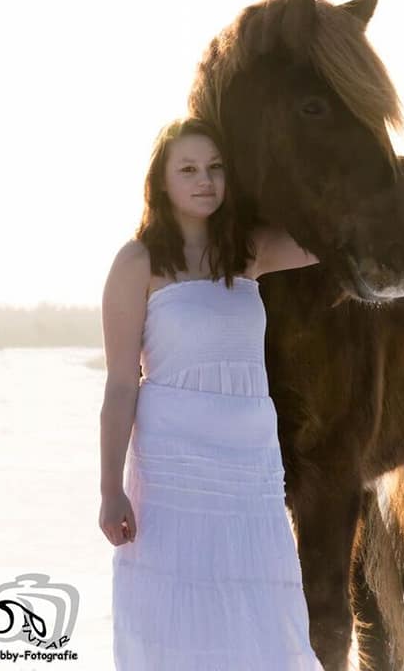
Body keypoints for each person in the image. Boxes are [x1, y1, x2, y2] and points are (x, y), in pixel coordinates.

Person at [99, 117, 324, 670]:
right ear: (162, 181)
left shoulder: (249, 251)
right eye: (189, 169)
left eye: (216, 168)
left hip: (249, 466)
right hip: (175, 467)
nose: (205, 180)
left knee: (259, 612)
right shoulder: (138, 262)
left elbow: (327, 238)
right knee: (176, 618)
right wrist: (109, 489)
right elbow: (122, 384)